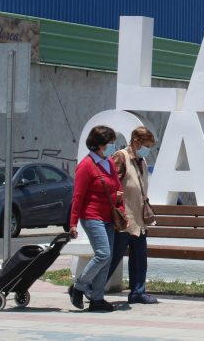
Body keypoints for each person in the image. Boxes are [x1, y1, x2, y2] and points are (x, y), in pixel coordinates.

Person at [68, 125, 124, 312]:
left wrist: (121, 211)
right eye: (110, 143)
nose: (112, 147)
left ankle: (97, 298)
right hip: (92, 216)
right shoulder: (86, 165)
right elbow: (78, 196)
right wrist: (73, 223)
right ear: (100, 144)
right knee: (103, 254)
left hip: (109, 216)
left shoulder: (108, 163)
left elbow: (117, 190)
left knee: (107, 258)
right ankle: (79, 286)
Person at [107, 126, 159, 304]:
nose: (147, 150)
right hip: (124, 218)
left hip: (139, 218)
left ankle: (138, 292)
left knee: (139, 257)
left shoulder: (141, 160)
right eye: (146, 145)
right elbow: (110, 183)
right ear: (136, 142)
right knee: (114, 256)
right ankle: (90, 288)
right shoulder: (121, 157)